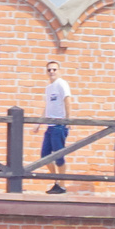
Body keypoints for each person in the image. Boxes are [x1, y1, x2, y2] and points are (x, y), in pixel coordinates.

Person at [39, 57, 71, 194]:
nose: (52, 72)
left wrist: (68, 120)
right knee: (45, 156)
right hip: (50, 125)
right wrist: (39, 123)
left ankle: (62, 185)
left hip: (59, 124)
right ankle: (57, 181)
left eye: (54, 69)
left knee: (59, 156)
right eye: (49, 70)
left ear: (59, 71)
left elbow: (67, 99)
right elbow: (47, 106)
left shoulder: (61, 83)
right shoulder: (48, 87)